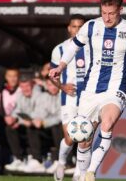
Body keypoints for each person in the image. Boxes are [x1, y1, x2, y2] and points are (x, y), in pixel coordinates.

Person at [49, 0, 126, 181]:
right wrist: (60, 66)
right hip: (90, 90)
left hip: (116, 89)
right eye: (104, 13)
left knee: (107, 124)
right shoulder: (91, 26)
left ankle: (91, 172)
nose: (107, 18)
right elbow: (74, 46)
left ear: (121, 10)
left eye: (112, 13)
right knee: (83, 139)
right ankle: (82, 174)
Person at [49, 14, 88, 181]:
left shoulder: (92, 47)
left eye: (81, 27)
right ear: (69, 28)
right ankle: (61, 162)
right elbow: (52, 75)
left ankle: (78, 174)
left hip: (88, 99)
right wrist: (62, 87)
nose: (77, 30)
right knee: (70, 137)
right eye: (74, 26)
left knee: (85, 137)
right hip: (69, 98)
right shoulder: (59, 49)